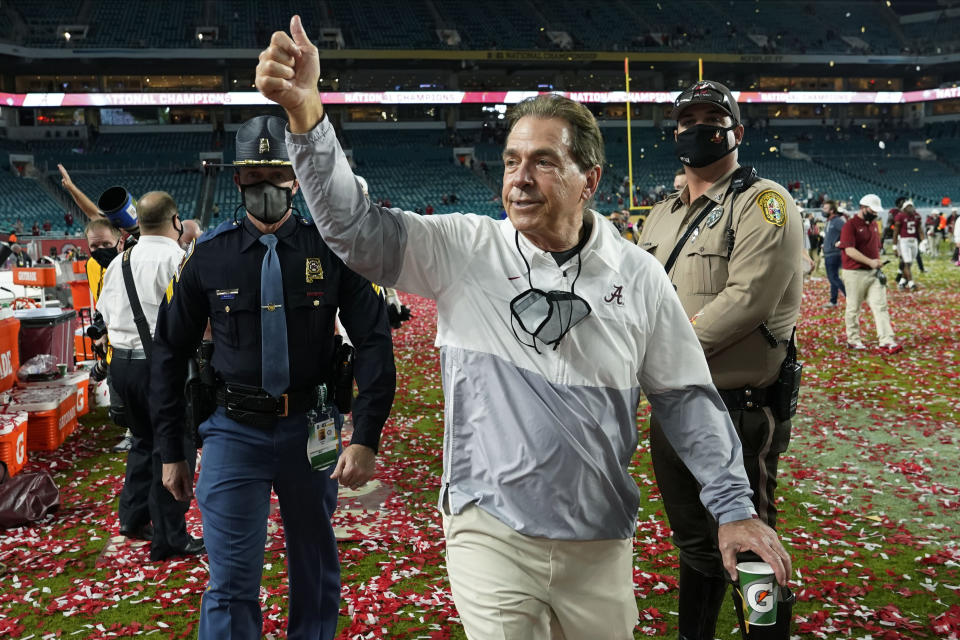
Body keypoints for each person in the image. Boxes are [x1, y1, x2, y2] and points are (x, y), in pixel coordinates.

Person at [256, 19, 791, 640]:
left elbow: (686, 400)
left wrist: (733, 509)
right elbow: (354, 231)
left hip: (599, 538)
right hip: (491, 531)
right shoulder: (466, 248)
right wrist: (306, 115)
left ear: (590, 180)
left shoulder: (639, 277)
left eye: (543, 161)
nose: (519, 177)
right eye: (511, 160)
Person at [150, 114, 396, 640]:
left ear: (298, 177)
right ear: (238, 179)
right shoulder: (208, 258)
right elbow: (168, 352)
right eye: (257, 175)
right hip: (234, 430)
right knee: (232, 577)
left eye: (280, 174)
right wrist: (172, 450)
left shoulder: (330, 250)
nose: (270, 187)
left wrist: (368, 436)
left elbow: (374, 339)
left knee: (315, 565)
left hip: (313, 429)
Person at [639, 79, 801, 640]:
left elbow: (746, 302)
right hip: (671, 402)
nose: (698, 128)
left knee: (749, 540)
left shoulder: (764, 204)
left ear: (735, 129)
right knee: (696, 543)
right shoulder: (660, 213)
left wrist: (653, 351)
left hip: (737, 402)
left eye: (712, 117)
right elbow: (637, 294)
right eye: (687, 120)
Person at [97, 191, 205, 560]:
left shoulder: (120, 261)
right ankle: (170, 537)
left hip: (122, 366)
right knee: (173, 446)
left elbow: (105, 315)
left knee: (143, 441)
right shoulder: (179, 258)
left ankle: (132, 517)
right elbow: (196, 319)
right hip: (160, 365)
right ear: (176, 222)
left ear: (137, 223)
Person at [839, 194, 902, 354]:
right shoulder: (850, 225)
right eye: (873, 210)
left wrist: (876, 262)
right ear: (863, 207)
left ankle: (887, 339)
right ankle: (853, 339)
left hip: (873, 272)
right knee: (853, 307)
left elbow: (874, 247)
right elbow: (849, 250)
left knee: (881, 306)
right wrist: (870, 261)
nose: (875, 214)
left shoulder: (873, 225)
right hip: (854, 272)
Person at [821, 200, 846, 307]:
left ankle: (849, 296)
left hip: (834, 254)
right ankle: (833, 301)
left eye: (825, 208)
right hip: (828, 253)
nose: (823, 210)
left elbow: (847, 232)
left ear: (832, 210)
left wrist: (840, 242)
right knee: (833, 278)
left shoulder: (837, 221)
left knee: (833, 278)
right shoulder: (829, 221)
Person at [893, 200, 922, 290]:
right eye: (908, 206)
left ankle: (902, 282)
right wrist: (894, 246)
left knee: (909, 263)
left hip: (914, 241)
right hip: (904, 241)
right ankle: (911, 283)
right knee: (907, 262)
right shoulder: (900, 216)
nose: (911, 208)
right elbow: (896, 231)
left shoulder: (916, 216)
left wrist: (924, 241)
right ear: (904, 208)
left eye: (911, 206)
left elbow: (920, 230)